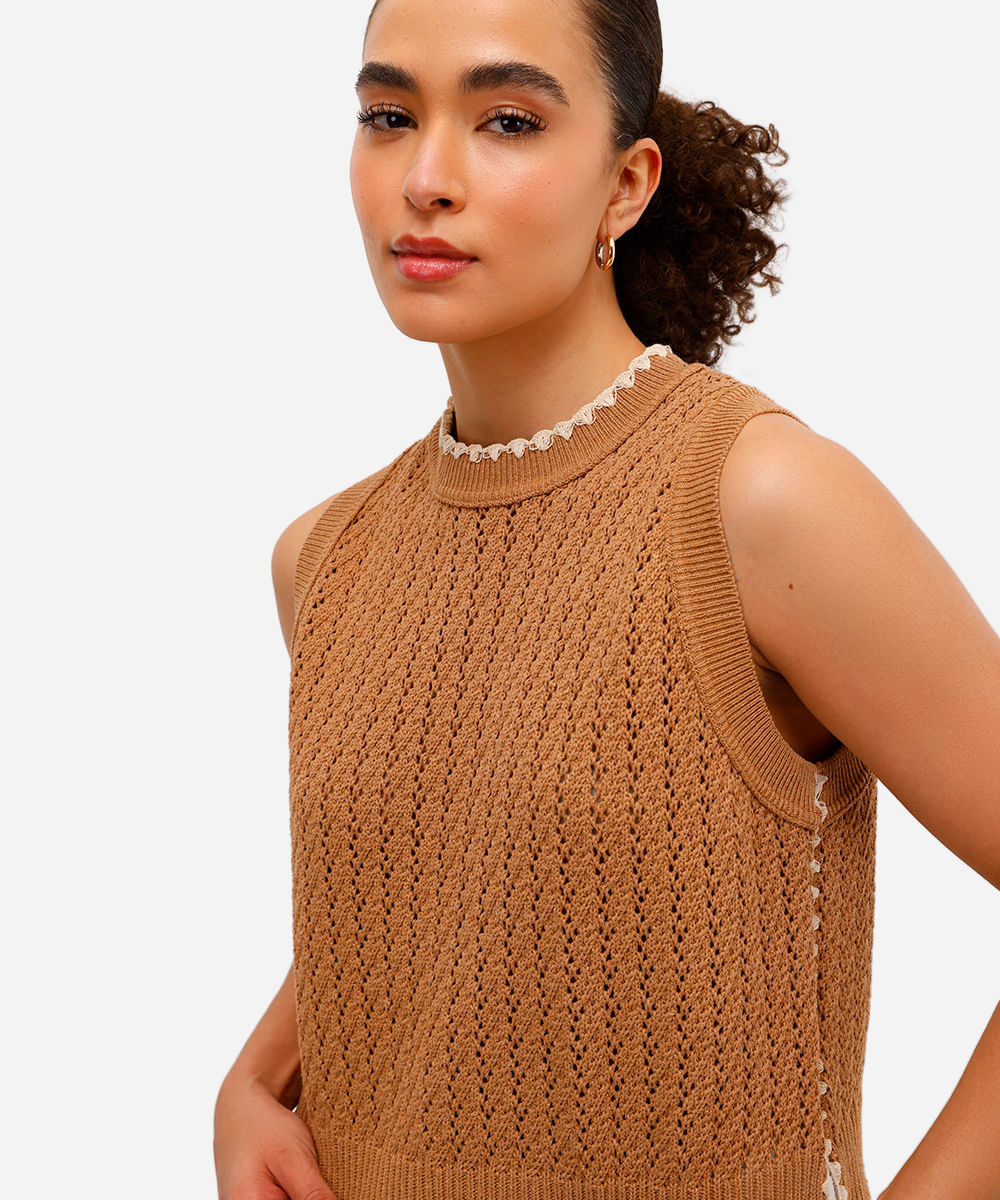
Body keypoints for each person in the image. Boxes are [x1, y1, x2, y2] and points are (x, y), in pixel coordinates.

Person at [213, 0, 1000, 1197]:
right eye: (388, 116)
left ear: (626, 185)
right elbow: (455, 895)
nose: (424, 178)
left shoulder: (756, 504)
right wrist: (256, 1079)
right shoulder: (325, 559)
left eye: (508, 121)